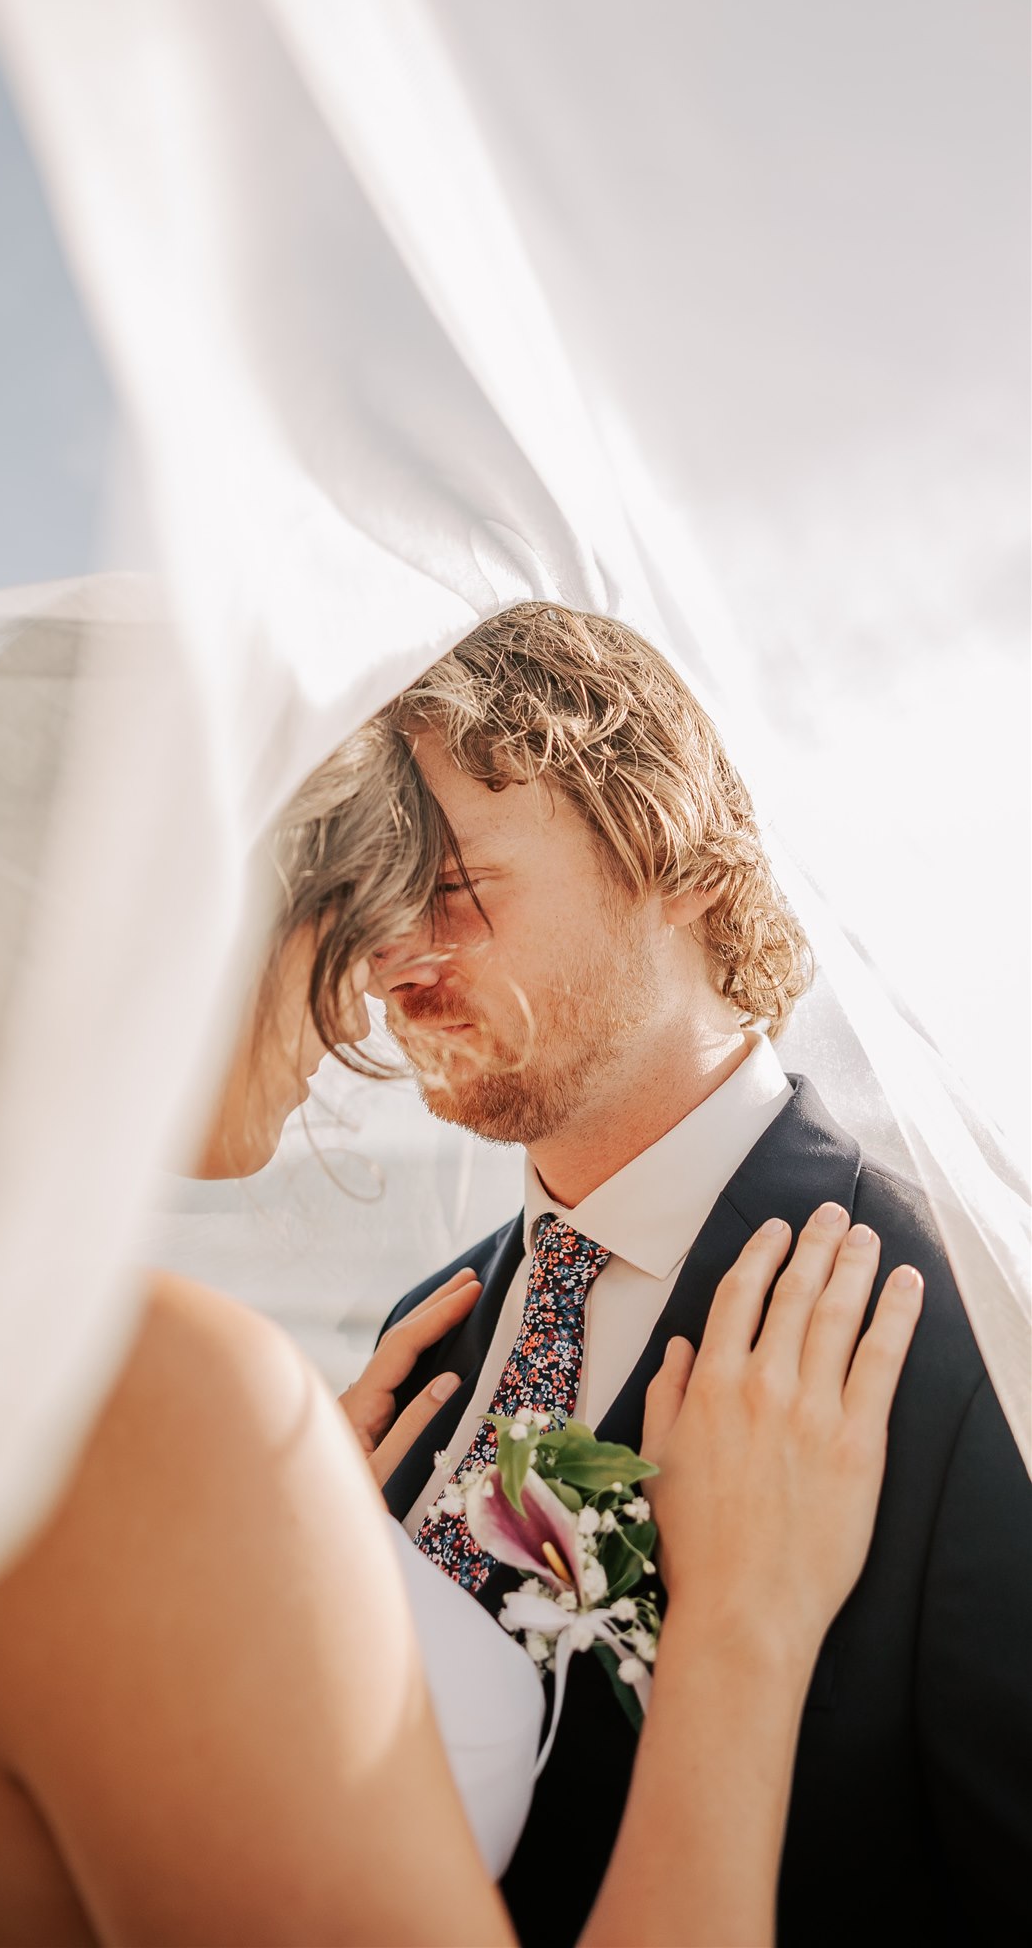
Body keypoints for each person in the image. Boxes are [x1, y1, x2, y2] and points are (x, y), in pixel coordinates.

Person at [0, 635, 921, 1947]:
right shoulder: (162, 1411)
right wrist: (740, 1634)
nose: (368, 993)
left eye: (449, 887)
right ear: (199, 925)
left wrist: (278, 1554)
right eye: (356, 908)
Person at [370, 603, 1032, 1948]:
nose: (390, 959)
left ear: (667, 855)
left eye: (448, 885)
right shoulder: (419, 1343)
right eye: (365, 902)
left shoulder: (957, 1322)